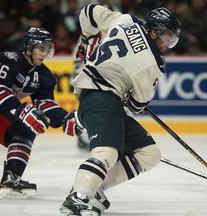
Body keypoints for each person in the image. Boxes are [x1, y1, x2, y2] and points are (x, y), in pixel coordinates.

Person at [60, 4, 181, 216]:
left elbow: (89, 11)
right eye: (167, 38)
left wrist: (88, 40)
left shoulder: (126, 20)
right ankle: (77, 198)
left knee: (149, 154)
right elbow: (137, 105)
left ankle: (94, 188)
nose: (167, 45)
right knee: (107, 152)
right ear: (154, 31)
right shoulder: (153, 63)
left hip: (102, 99)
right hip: (102, 99)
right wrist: (132, 96)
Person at [0, 27, 69, 198]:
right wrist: (22, 110)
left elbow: (46, 104)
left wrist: (66, 119)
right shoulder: (8, 59)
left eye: (47, 49)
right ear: (28, 47)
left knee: (24, 131)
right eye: (41, 48)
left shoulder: (45, 76)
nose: (44, 53)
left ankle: (12, 178)